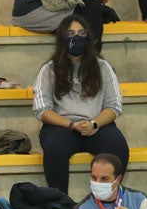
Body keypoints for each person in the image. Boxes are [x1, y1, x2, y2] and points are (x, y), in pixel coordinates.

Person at [32, 16, 128, 195]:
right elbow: (41, 108)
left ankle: (110, 197)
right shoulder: (49, 69)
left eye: (81, 33)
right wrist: (69, 125)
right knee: (54, 147)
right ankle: (60, 201)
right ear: (62, 38)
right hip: (62, 126)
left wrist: (94, 124)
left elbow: (114, 106)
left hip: (96, 125)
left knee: (118, 146)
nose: (76, 38)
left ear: (88, 37)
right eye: (70, 33)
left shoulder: (103, 67)